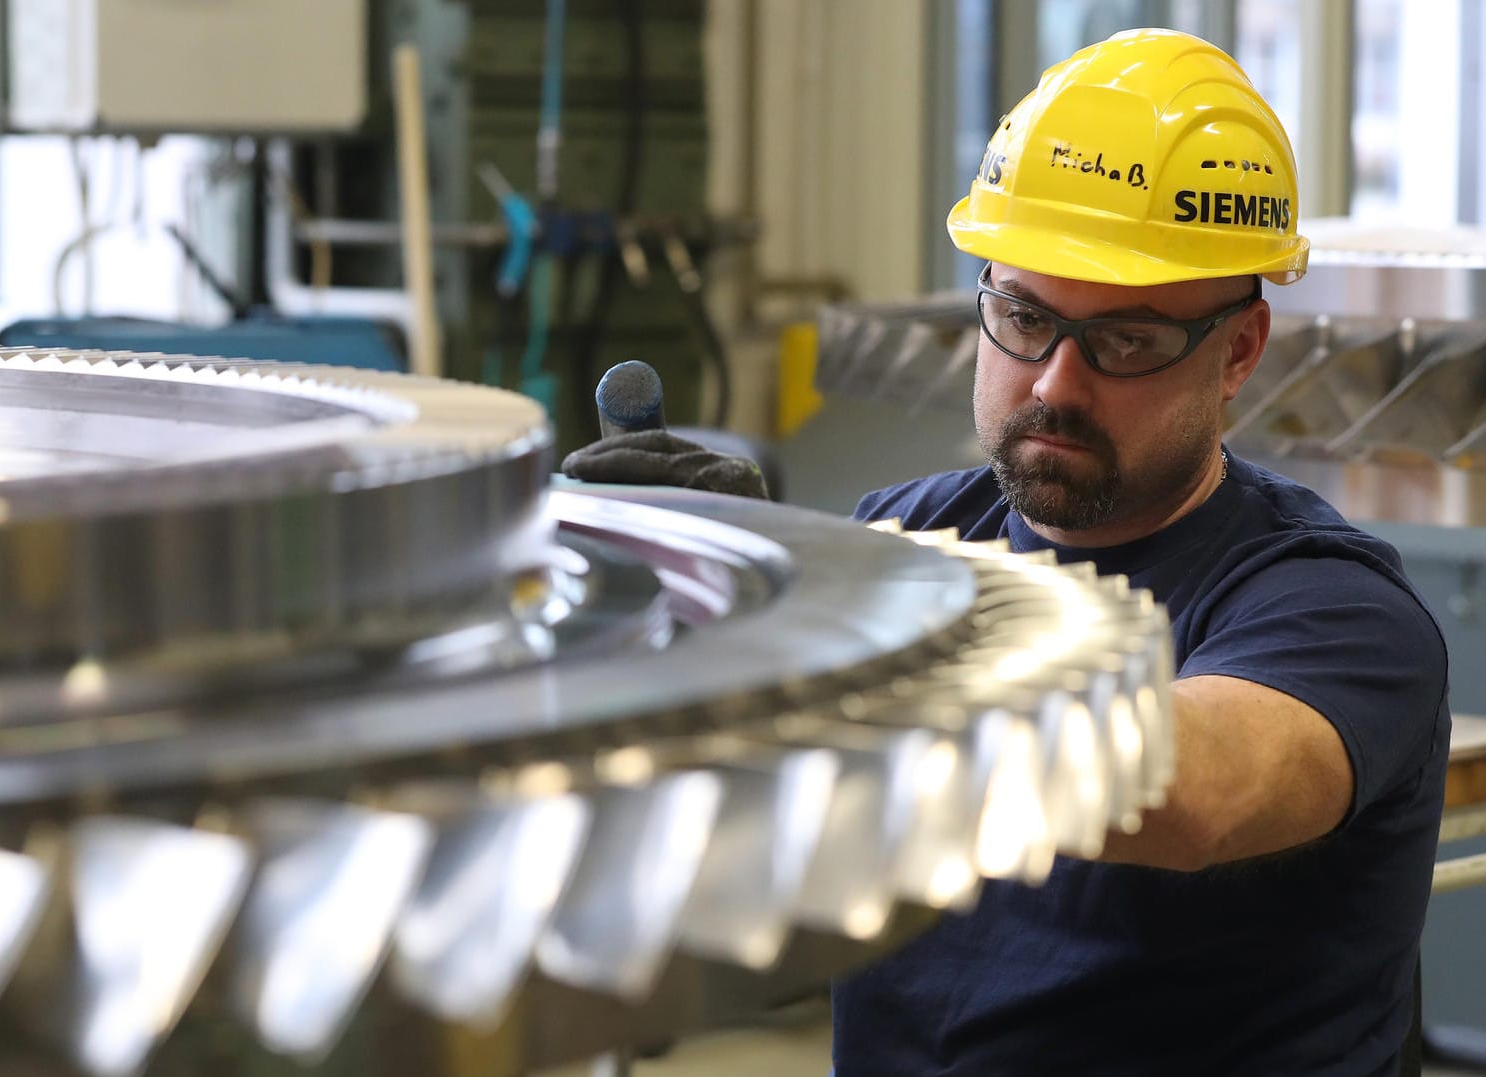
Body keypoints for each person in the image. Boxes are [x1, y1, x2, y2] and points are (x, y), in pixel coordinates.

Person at [564, 28, 1450, 1076]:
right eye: (1022, 317)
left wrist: (812, 623)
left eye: (1124, 342)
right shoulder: (903, 538)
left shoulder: (1330, 609)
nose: (1053, 386)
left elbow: (1191, 790)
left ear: (1237, 354)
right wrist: (648, 607)